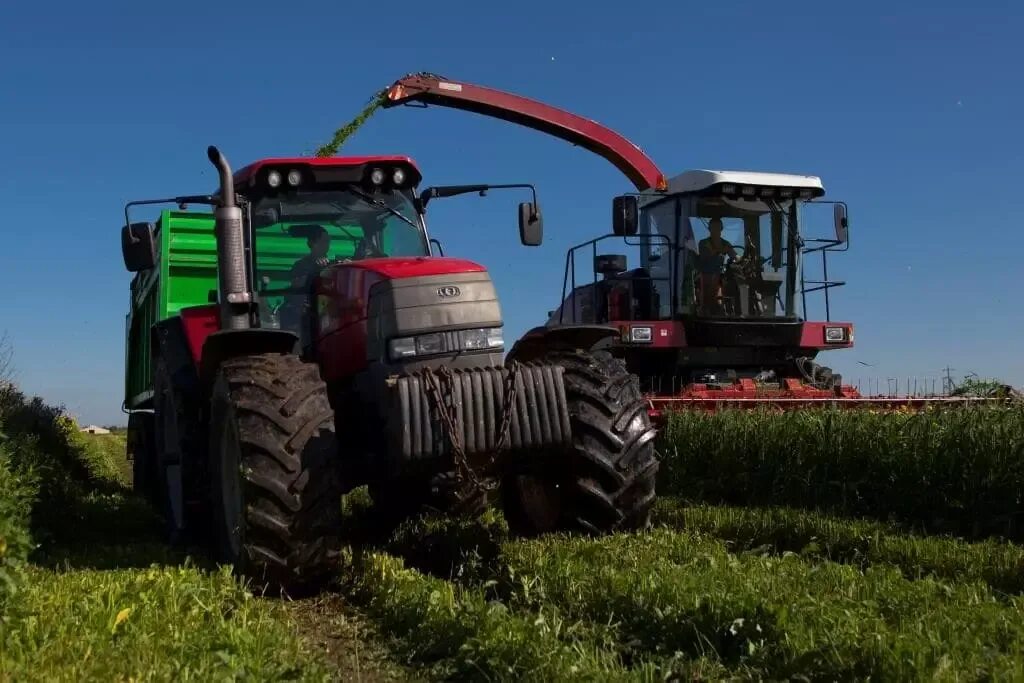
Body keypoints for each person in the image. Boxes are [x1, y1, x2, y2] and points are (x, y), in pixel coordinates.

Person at [696, 217, 738, 313]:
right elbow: (705, 254)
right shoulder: (703, 243)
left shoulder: (725, 243)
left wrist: (739, 259)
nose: (716, 230)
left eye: (718, 227)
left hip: (720, 276)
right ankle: (704, 307)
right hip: (705, 276)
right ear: (709, 229)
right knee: (709, 299)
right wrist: (721, 251)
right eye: (713, 227)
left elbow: (735, 256)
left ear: (721, 229)